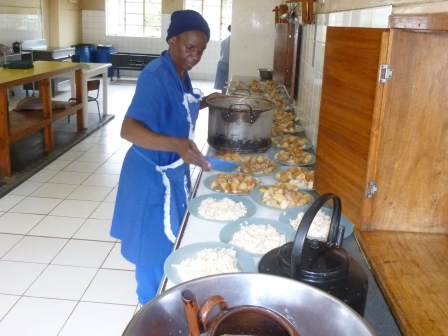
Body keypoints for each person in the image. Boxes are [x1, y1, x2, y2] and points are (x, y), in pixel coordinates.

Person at [110, 10, 222, 307]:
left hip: (169, 171)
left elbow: (176, 108)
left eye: (201, 50)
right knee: (150, 249)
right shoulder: (156, 76)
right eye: (190, 47)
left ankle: (167, 299)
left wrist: (205, 102)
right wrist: (176, 143)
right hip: (149, 177)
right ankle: (148, 309)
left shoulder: (179, 73)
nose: (195, 56)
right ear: (172, 39)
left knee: (168, 243)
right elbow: (128, 129)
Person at [214, 25, 231, 93]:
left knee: (223, 87)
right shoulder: (234, 41)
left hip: (222, 63)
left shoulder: (224, 40)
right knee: (226, 85)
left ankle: (222, 100)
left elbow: (221, 54)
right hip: (227, 64)